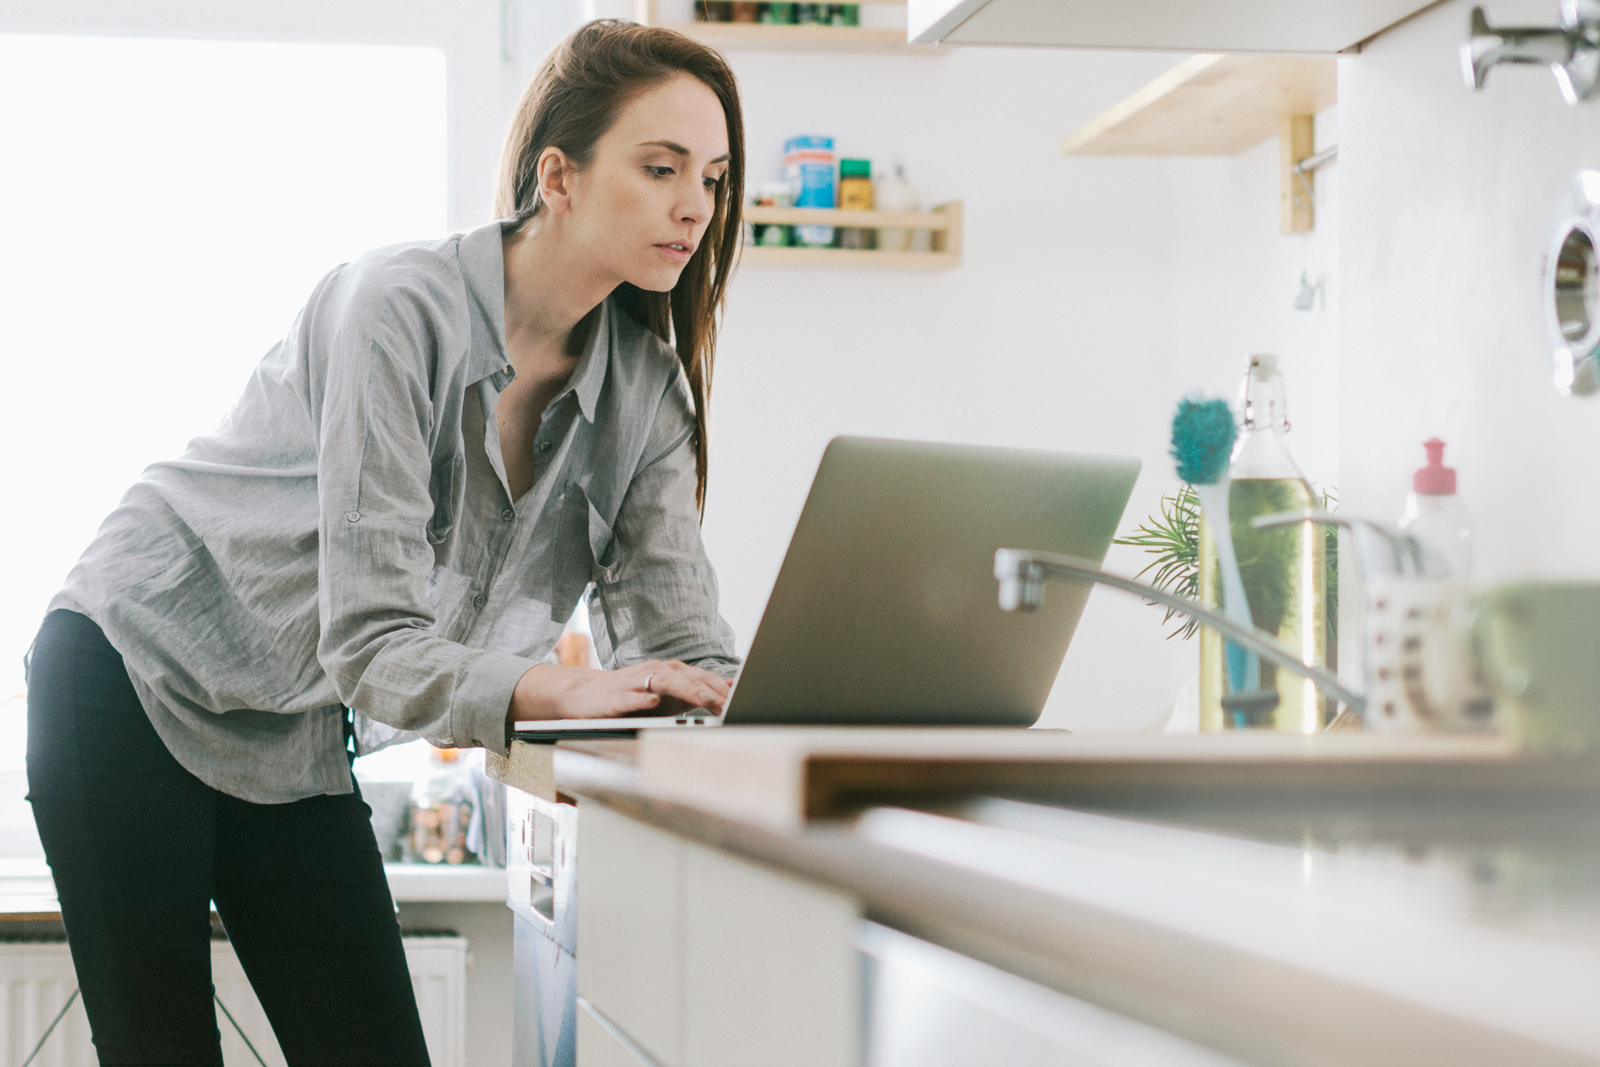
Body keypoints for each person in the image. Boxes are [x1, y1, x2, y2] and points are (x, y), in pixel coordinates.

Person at [24, 20, 744, 1065]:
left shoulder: (648, 394)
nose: (696, 207)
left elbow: (681, 645)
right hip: (134, 669)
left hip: (295, 739)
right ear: (560, 177)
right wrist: (553, 686)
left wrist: (759, 701)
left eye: (713, 179)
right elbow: (369, 640)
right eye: (662, 167)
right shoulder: (397, 307)